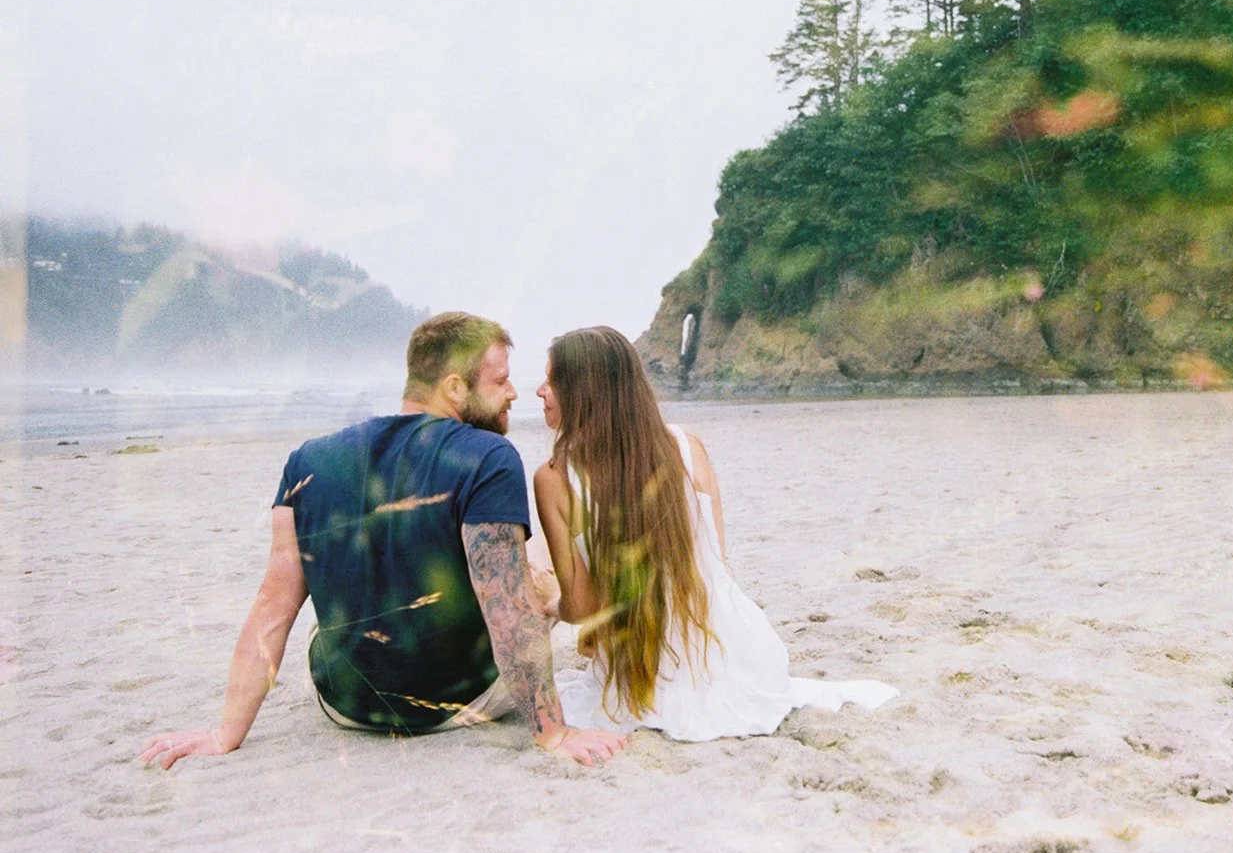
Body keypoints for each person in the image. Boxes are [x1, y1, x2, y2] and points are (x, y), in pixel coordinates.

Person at [141, 312, 626, 768]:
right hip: (454, 704)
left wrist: (225, 733)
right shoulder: (489, 457)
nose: (514, 394)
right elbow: (509, 613)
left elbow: (273, 605)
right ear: (455, 388)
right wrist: (554, 733)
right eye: (499, 381)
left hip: (347, 705)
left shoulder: (307, 460)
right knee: (534, 566)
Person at [531, 325, 897, 741]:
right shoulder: (686, 444)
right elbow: (715, 561)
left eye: (551, 380)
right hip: (738, 654)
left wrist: (551, 601)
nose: (540, 391)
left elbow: (581, 609)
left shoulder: (555, 478)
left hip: (649, 670)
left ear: (584, 391)